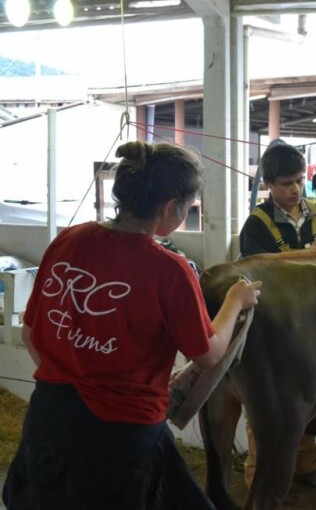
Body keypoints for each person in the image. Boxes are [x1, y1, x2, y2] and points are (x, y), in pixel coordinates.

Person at [2, 141, 262, 510]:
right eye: (187, 208)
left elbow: (32, 334)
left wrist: (74, 372)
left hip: (49, 419)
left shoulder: (69, 241)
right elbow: (206, 354)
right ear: (170, 207)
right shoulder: (169, 270)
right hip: (122, 435)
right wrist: (236, 301)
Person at [238, 139, 316, 489]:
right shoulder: (256, 225)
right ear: (268, 185)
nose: (296, 189)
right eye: (286, 183)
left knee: (308, 397)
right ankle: (259, 478)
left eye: (299, 179)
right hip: (271, 325)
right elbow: (255, 274)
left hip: (312, 322)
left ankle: (305, 467)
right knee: (262, 403)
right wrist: (304, 257)